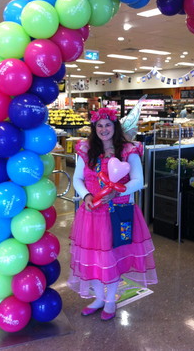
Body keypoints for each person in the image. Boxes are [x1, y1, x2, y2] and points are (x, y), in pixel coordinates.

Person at [69, 107, 157, 321]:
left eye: (108, 125)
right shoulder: (85, 148)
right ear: (94, 127)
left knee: (112, 257)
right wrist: (87, 195)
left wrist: (117, 192)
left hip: (119, 213)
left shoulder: (128, 149)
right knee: (95, 258)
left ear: (115, 126)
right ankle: (99, 298)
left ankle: (110, 301)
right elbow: (77, 178)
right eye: (99, 125)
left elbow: (138, 180)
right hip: (92, 215)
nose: (103, 129)